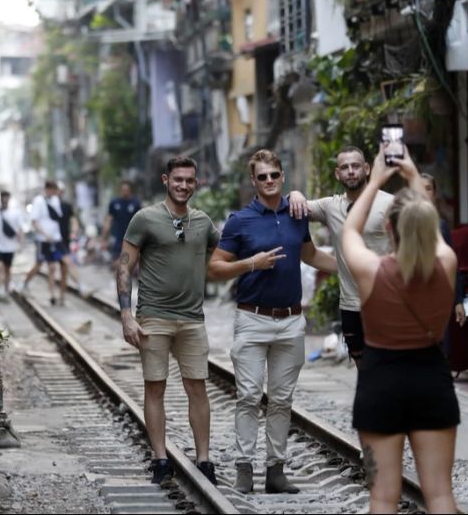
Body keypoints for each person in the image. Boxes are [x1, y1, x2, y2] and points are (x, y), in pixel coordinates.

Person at [207, 149, 337, 495]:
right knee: (249, 395)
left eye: (273, 175)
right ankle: (244, 469)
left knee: (281, 399)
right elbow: (214, 267)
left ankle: (276, 471)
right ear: (253, 180)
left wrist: (351, 266)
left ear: (283, 177)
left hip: (291, 321)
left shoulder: (296, 214)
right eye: (261, 176)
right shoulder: (240, 220)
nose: (268, 181)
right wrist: (250, 264)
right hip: (252, 318)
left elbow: (308, 254)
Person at [342, 146, 460, 514]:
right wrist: (411, 174)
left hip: (380, 383)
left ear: (388, 228)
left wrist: (375, 178)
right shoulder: (446, 263)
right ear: (428, 228)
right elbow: (429, 225)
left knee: (382, 497)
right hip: (431, 380)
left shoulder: (371, 271)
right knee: (440, 495)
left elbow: (349, 230)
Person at [116, 156, 221, 487]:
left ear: (196, 183)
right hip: (153, 318)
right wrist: (126, 316)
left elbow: (224, 255)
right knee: (155, 387)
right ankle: (160, 459)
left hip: (192, 319)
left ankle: (204, 459)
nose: (184, 186)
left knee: (197, 387)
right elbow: (123, 267)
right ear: (166, 180)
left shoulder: (203, 223)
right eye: (178, 180)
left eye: (190, 180)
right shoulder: (145, 218)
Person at [287, 146, 393, 367]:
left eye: (355, 166)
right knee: (363, 368)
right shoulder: (330, 206)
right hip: (351, 305)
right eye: (345, 167)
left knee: (389, 366)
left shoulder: (390, 203)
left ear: (367, 169)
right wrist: (295, 194)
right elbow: (294, 206)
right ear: (337, 174)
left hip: (386, 301)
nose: (351, 171)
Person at [420, 173, 466, 328]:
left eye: (428, 189)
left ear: (434, 194)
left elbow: (452, 266)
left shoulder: (441, 226)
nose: (423, 193)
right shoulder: (404, 225)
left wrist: (458, 301)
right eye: (419, 188)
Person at [25, 180, 67, 306]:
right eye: (53, 190)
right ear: (47, 189)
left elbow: (57, 219)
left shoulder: (55, 200)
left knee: (53, 267)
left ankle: (52, 294)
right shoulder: (38, 201)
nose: (55, 193)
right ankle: (25, 283)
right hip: (42, 240)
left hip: (56, 239)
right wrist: (44, 234)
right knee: (38, 265)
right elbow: (34, 222)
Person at [101, 180, 142, 270]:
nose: (125, 191)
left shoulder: (135, 203)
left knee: (131, 261)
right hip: (118, 237)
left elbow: (140, 221)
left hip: (132, 237)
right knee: (117, 261)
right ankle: (116, 280)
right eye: (123, 189)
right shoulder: (114, 203)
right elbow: (108, 220)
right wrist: (104, 238)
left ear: (130, 190)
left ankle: (126, 280)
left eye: (126, 189)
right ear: (120, 190)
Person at [56, 183, 86, 295]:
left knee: (65, 268)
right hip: (51, 242)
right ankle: (79, 285)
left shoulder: (66, 206)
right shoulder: (47, 205)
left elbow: (74, 221)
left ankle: (61, 297)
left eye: (60, 190)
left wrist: (74, 233)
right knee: (52, 267)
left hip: (64, 241)